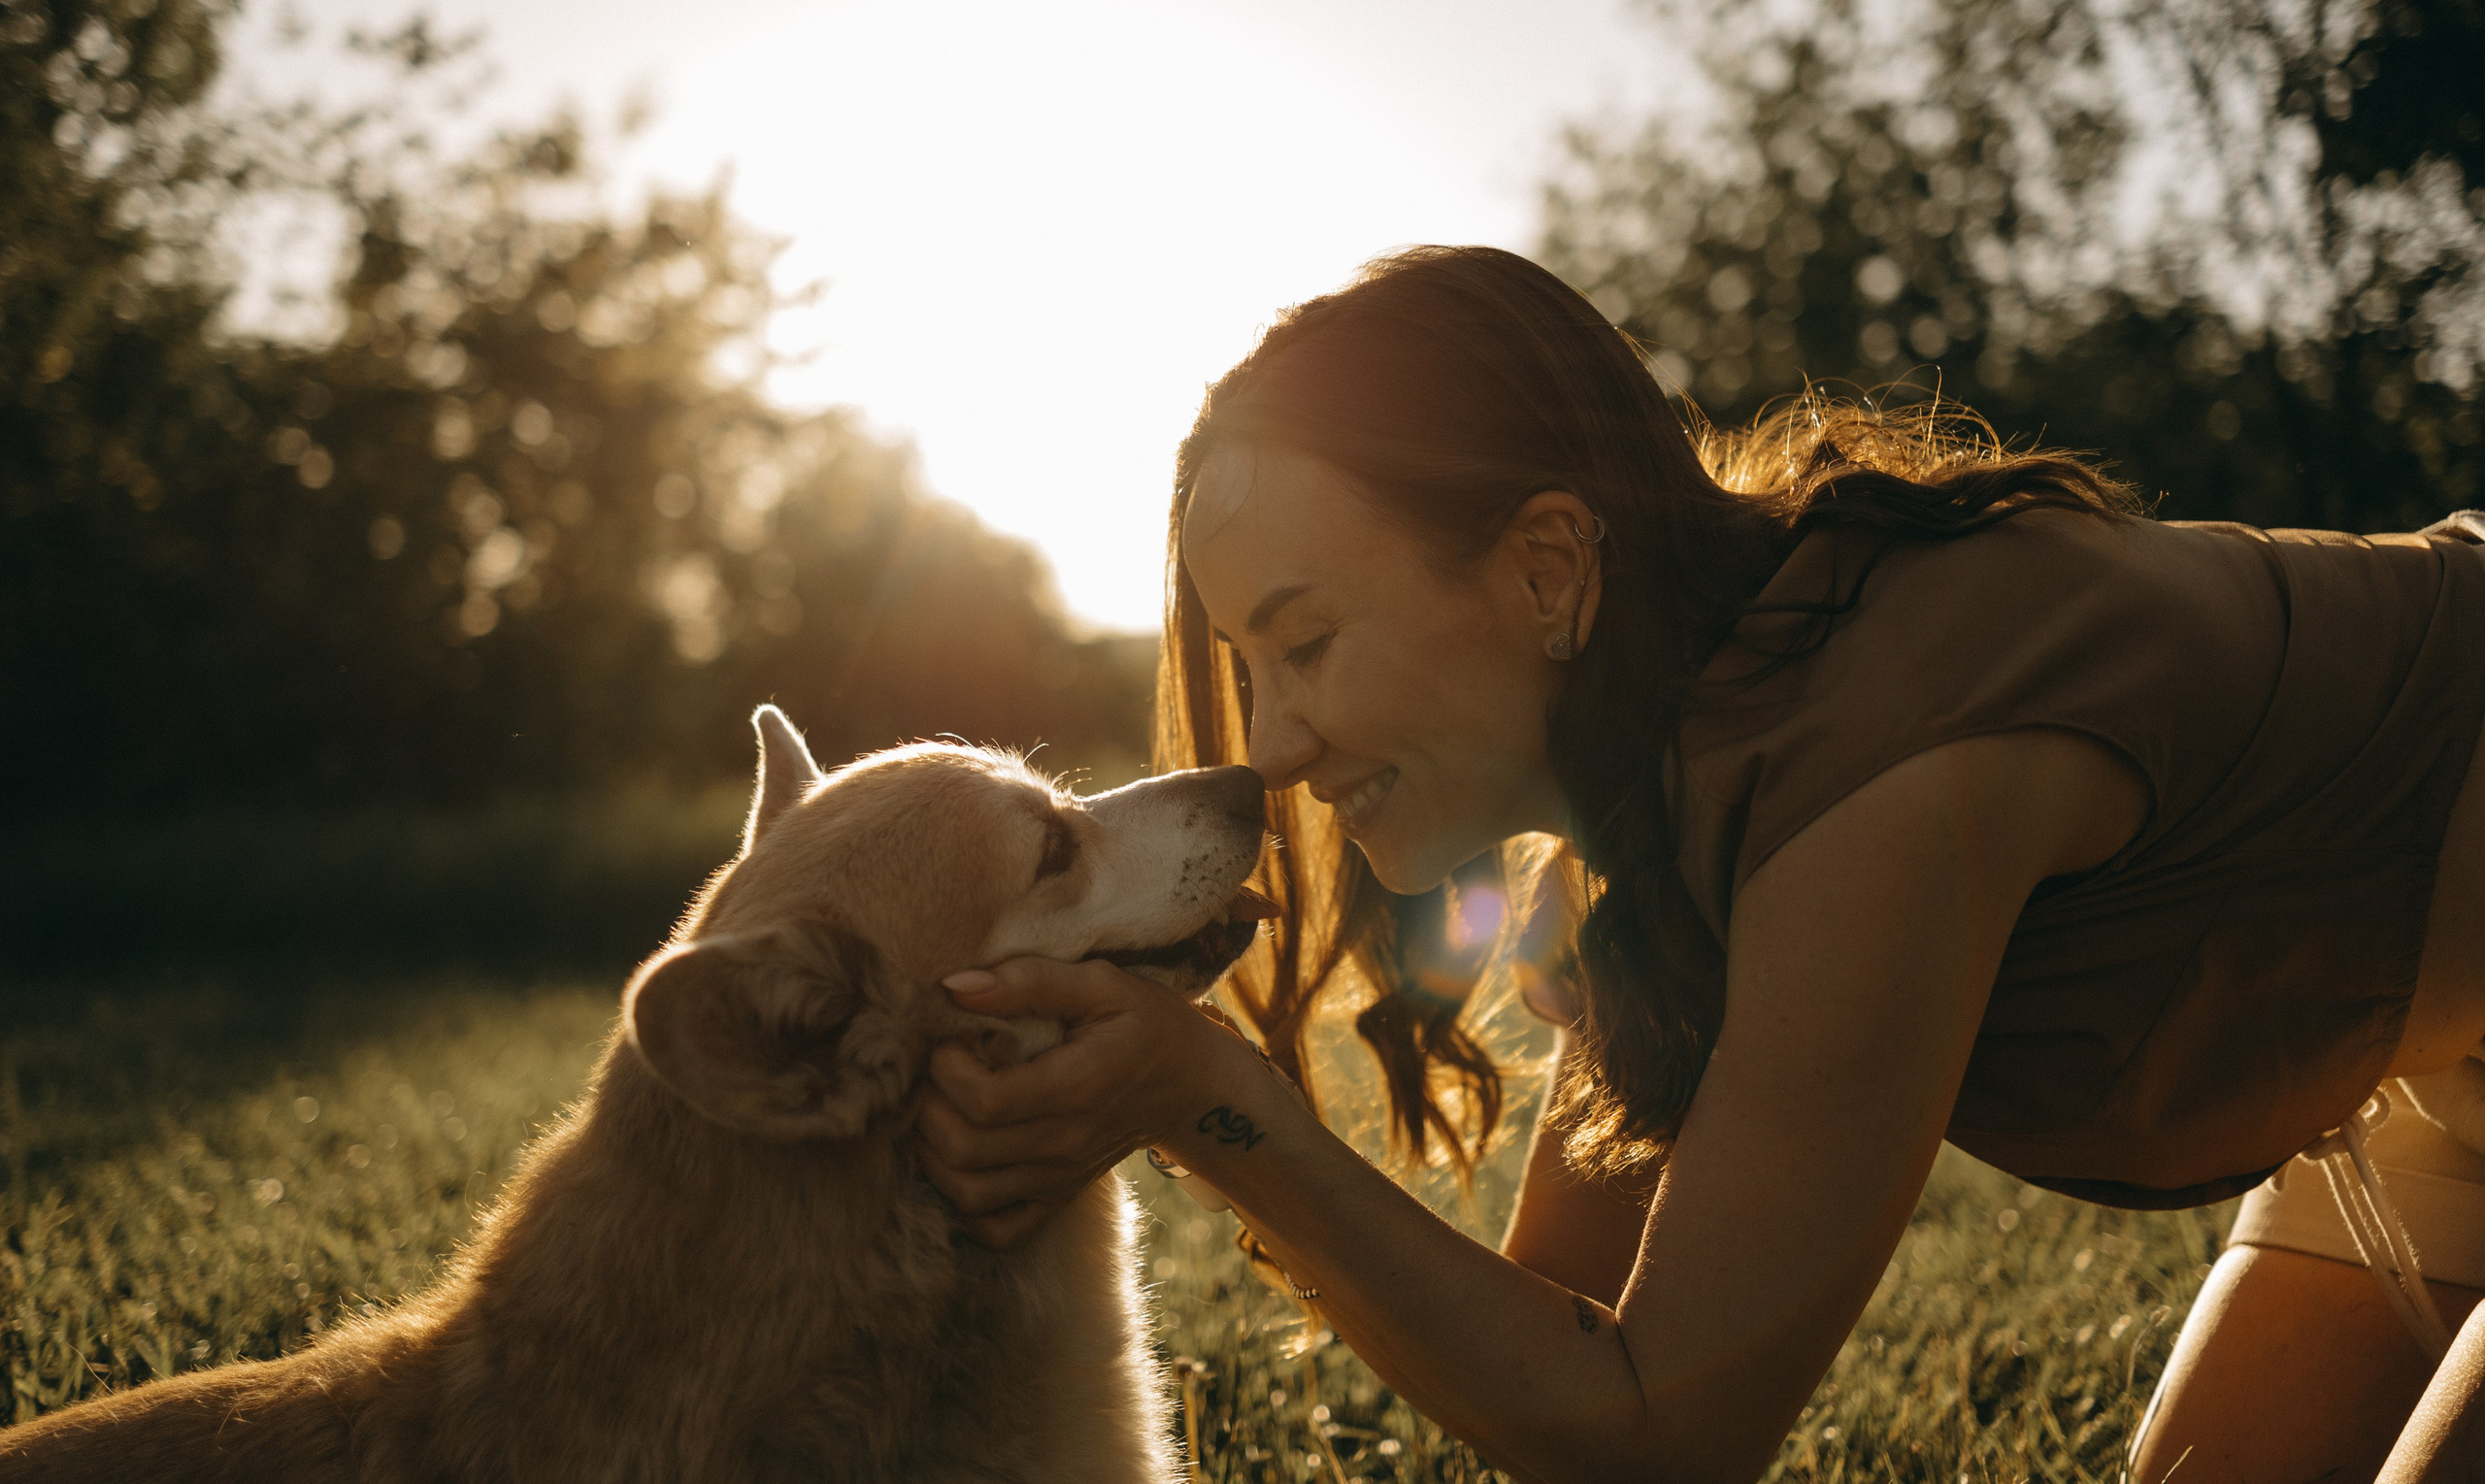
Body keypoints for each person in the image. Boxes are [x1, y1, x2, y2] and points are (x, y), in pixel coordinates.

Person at [914, 245, 2485, 1483]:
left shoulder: (1888, 761)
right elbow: (1552, 1361)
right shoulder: (1632, 838)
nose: (1274, 747)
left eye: (1308, 643)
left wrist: (1211, 1100)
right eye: (1250, 664)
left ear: (1548, 566)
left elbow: (1660, 1438)